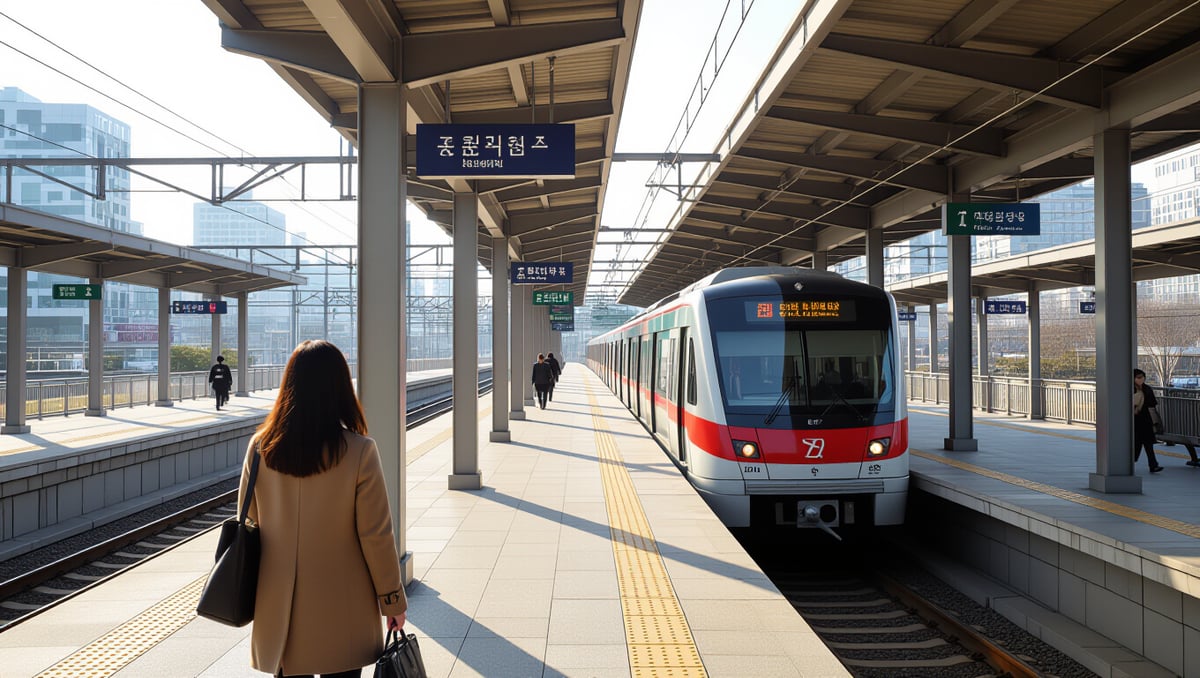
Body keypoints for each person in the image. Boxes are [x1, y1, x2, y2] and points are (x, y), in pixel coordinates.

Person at [238, 340, 407, 678]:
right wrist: (392, 601)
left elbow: (249, 518)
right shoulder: (359, 451)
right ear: (340, 388)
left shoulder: (261, 448)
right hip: (343, 606)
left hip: (280, 609)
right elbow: (376, 535)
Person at [1133, 369, 1163, 473]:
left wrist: (1156, 421)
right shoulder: (1130, 389)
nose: (1141, 379)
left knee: (1148, 444)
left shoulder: (1147, 389)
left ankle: (1153, 465)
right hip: (1135, 421)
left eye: (1142, 377)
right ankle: (1132, 461)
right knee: (1138, 444)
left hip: (1146, 420)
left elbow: (1152, 405)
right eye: (1138, 377)